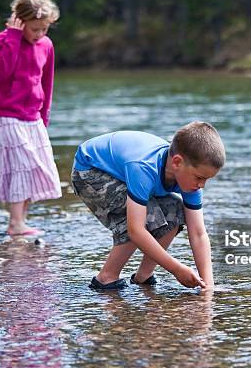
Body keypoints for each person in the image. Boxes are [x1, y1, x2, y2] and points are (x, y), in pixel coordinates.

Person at [71, 121, 225, 290]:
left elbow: (198, 234)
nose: (202, 185)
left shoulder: (189, 178)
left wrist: (208, 286)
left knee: (175, 209)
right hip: (90, 171)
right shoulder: (143, 168)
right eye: (199, 178)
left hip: (122, 171)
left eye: (207, 179)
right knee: (144, 217)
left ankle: (143, 276)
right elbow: (135, 231)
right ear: (177, 162)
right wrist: (176, 269)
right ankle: (106, 277)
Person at [0, 0, 62, 236]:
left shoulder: (46, 45)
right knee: (21, 164)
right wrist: (12, 37)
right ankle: (15, 223)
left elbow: (47, 83)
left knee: (38, 167)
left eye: (44, 29)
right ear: (20, 22)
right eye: (34, 29)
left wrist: (45, 116)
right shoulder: (4, 40)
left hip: (34, 117)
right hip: (9, 115)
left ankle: (21, 220)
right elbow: (2, 74)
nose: (40, 34)